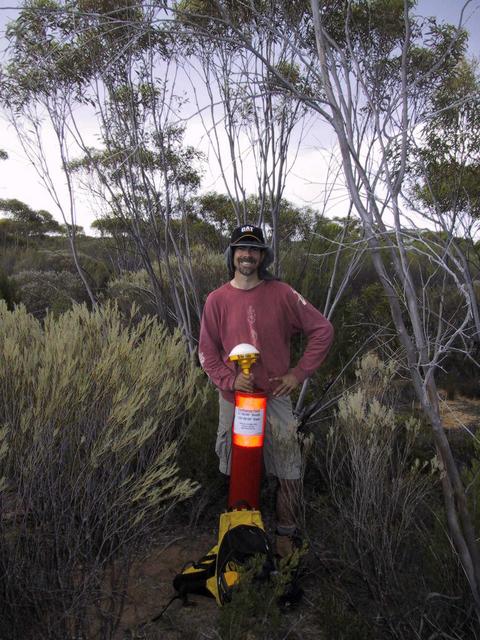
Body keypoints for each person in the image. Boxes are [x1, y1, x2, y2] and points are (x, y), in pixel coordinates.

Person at [198, 224, 334, 555]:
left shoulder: (282, 294)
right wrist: (231, 380)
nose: (248, 255)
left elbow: (323, 330)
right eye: (242, 249)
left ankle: (285, 536)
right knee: (239, 466)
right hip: (235, 400)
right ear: (232, 255)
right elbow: (207, 352)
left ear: (262, 256)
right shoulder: (217, 300)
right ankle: (241, 535)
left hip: (274, 397)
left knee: (288, 466)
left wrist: (297, 374)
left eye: (254, 250)